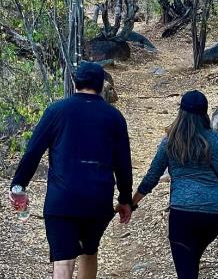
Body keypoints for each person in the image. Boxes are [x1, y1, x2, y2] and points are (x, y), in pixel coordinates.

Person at [9, 61, 133, 279]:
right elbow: (123, 163)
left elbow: (33, 152)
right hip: (98, 200)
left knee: (63, 263)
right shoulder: (114, 118)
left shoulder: (57, 111)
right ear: (101, 84)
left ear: (75, 82)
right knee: (89, 251)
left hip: (62, 200)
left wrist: (18, 186)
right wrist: (125, 199)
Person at [132, 90, 218, 279]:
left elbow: (152, 177)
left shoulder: (170, 142)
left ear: (181, 113)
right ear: (205, 113)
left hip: (183, 213)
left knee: (186, 270)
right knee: (191, 264)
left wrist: (132, 202)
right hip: (215, 214)